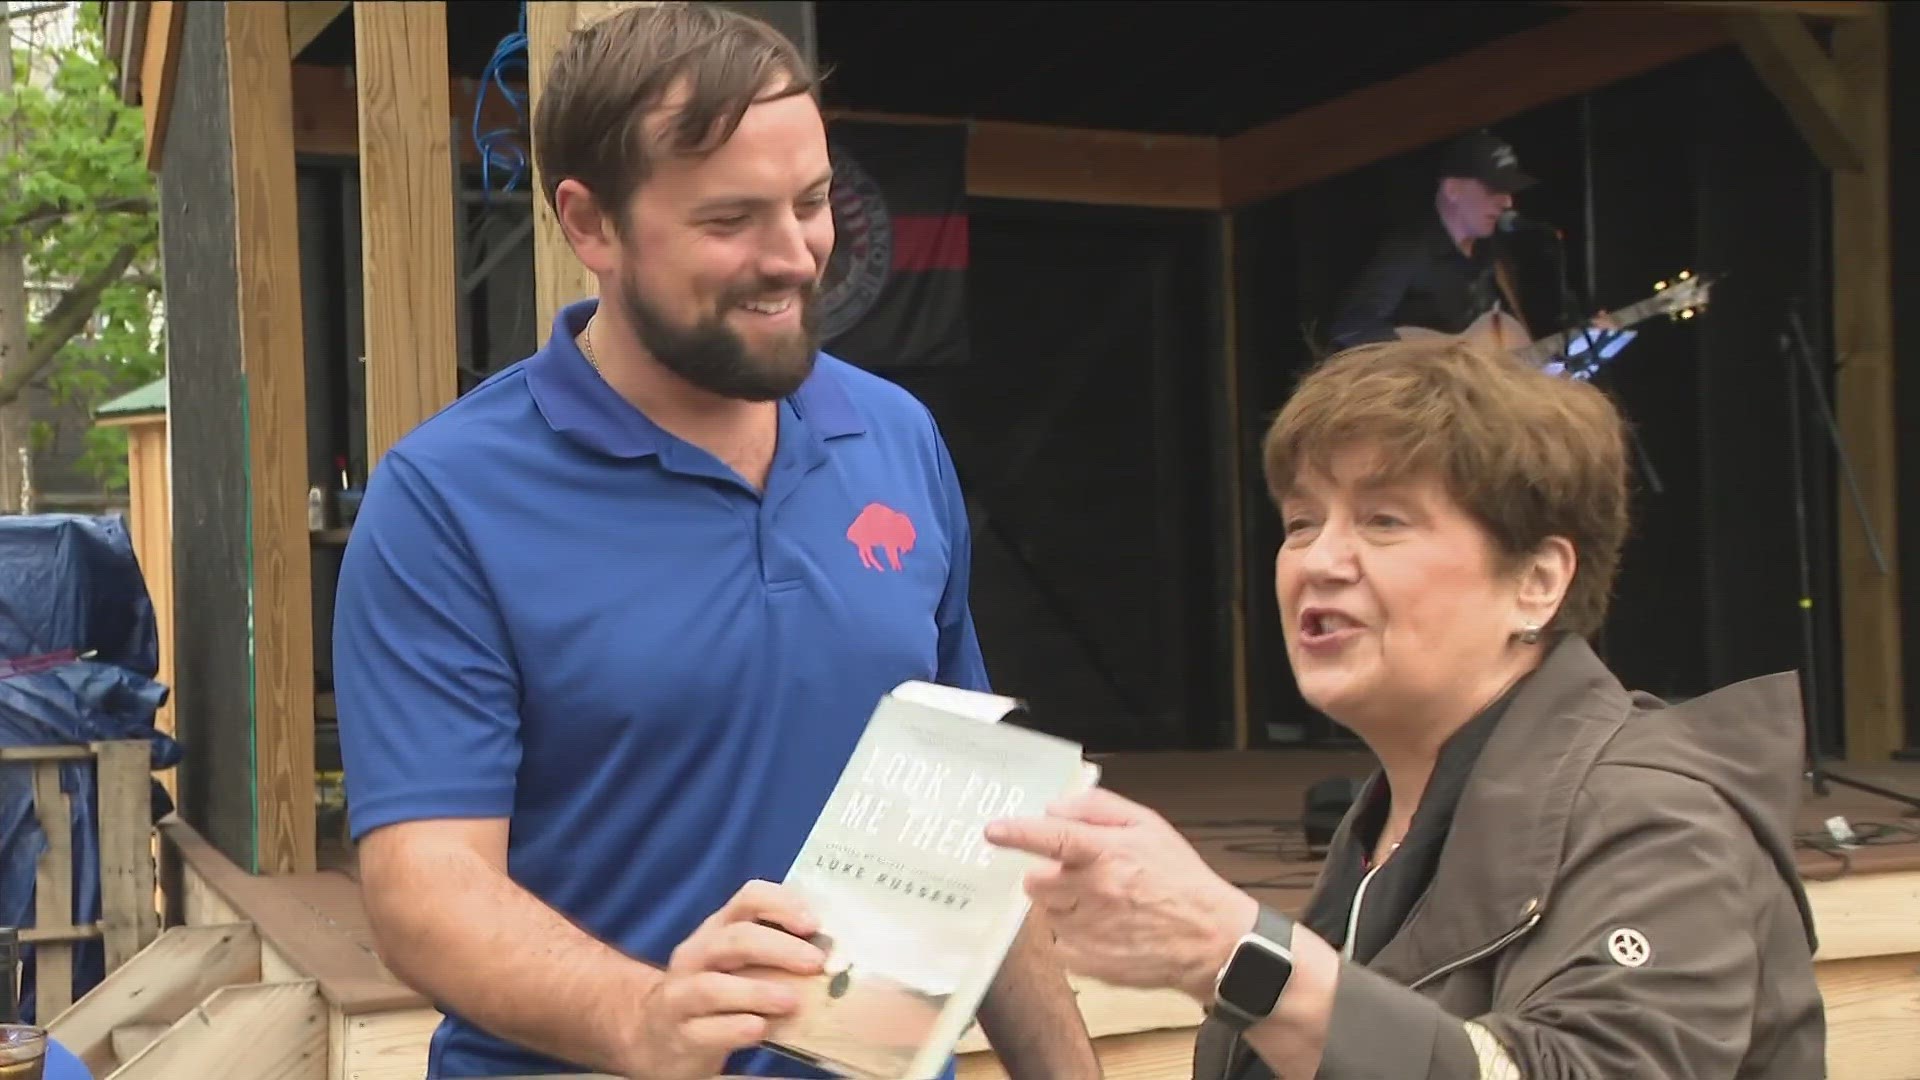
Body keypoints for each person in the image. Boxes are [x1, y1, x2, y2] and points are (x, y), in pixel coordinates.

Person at [331, 5, 1099, 1078]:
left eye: (815, 201)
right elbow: (426, 891)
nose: (795, 257)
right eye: (732, 219)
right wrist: (643, 1015)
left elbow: (964, 827)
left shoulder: (892, 439)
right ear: (591, 225)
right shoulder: (449, 499)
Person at [985, 337, 1826, 1079]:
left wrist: (1230, 950)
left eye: (1384, 521)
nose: (1320, 560)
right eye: (1302, 521)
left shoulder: (1657, 818)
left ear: (1537, 582)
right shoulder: (1389, 822)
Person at [1324, 130, 1536, 353]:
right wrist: (1431, 365)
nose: (1507, 202)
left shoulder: (1494, 258)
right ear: (1452, 190)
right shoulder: (1410, 250)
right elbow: (1352, 324)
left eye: (1509, 192)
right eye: (1493, 189)